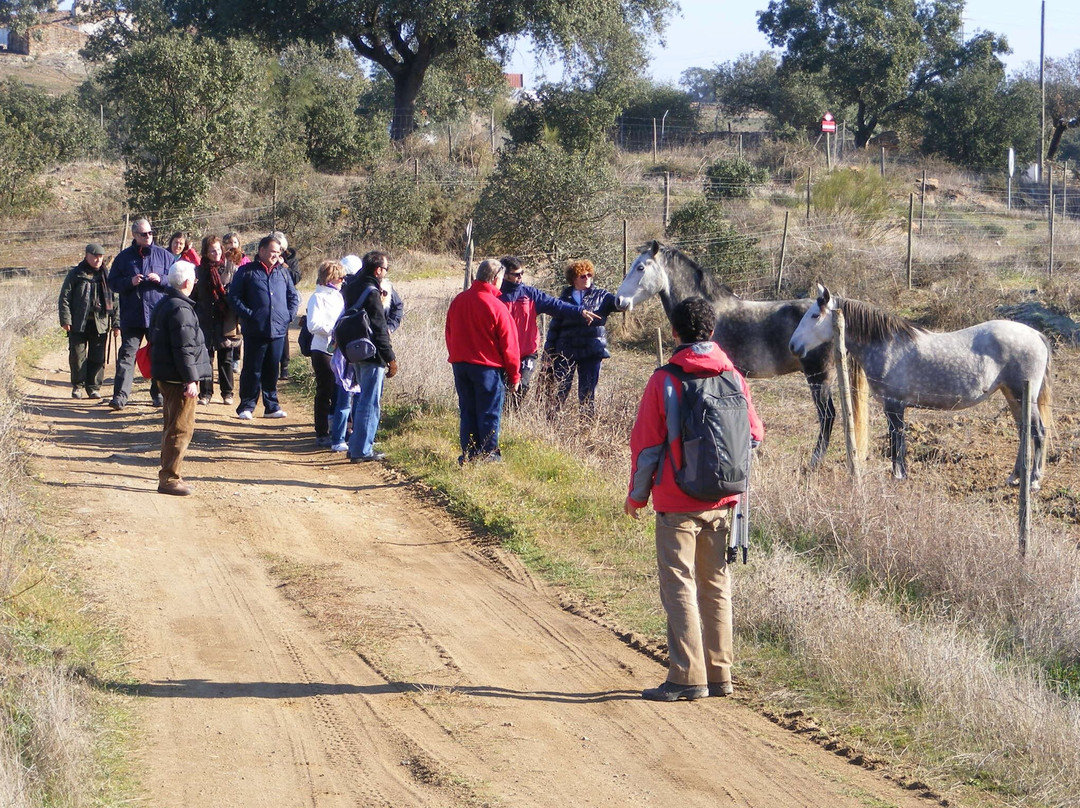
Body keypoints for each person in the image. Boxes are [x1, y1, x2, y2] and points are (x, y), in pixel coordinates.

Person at [625, 297, 764, 702]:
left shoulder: (665, 380)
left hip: (677, 501)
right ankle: (721, 676)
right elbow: (754, 435)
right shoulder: (734, 377)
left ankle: (687, 678)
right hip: (724, 500)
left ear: (674, 333)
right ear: (711, 331)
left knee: (679, 586)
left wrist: (637, 496)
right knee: (716, 585)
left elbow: (647, 447)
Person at [445, 258, 520, 464]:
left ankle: (469, 454)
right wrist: (515, 375)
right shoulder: (497, 306)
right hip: (487, 368)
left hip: (461, 365)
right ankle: (489, 455)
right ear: (496, 279)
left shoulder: (459, 300)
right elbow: (509, 345)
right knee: (488, 412)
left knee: (468, 411)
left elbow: (449, 333)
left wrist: (457, 356)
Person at [499, 256, 598, 408]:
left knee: (522, 386)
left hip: (526, 352)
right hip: (500, 352)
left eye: (522, 273)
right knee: (500, 389)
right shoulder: (495, 296)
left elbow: (556, 305)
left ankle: (511, 413)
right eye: (516, 274)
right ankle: (503, 415)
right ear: (504, 275)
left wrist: (580, 311)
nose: (520, 277)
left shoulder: (530, 294)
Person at [148, 260, 212, 496]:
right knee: (180, 429)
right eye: (194, 279)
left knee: (172, 426)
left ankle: (171, 475)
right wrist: (191, 380)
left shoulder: (166, 303)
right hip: (177, 380)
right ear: (187, 282)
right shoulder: (181, 309)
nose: (195, 282)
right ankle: (169, 479)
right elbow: (184, 348)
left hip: (167, 376)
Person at [228, 234, 299, 420]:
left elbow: (293, 297)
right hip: (255, 330)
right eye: (272, 251)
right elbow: (234, 297)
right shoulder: (246, 272)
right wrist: (250, 315)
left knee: (272, 369)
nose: (276, 255)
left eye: (278, 252)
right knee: (252, 369)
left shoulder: (283, 272)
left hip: (278, 330)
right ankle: (247, 406)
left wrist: (288, 316)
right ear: (261, 251)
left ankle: (271, 406)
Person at [542, 259, 626, 417]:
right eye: (582, 276)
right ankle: (552, 426)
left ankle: (586, 427)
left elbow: (619, 304)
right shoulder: (563, 300)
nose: (587, 278)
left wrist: (627, 292)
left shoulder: (603, 296)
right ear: (573, 279)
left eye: (589, 275)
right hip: (565, 352)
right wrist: (548, 353)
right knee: (559, 391)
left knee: (587, 394)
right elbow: (554, 329)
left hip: (592, 351)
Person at [107, 217, 174, 410]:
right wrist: (130, 281)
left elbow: (177, 279)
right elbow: (113, 283)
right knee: (127, 355)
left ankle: (158, 394)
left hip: (157, 315)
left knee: (159, 355)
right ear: (135, 235)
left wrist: (160, 279)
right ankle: (120, 397)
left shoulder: (164, 255)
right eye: (144, 234)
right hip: (132, 317)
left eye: (150, 233)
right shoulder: (123, 258)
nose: (148, 236)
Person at [341, 251, 397, 462]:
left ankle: (355, 445)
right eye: (385, 269)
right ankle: (362, 450)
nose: (385, 272)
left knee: (361, 398)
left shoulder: (351, 286)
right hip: (372, 353)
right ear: (377, 270)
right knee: (370, 403)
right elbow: (379, 328)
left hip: (354, 351)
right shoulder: (372, 292)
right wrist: (390, 358)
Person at [57, 243, 118, 399]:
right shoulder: (76, 274)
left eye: (100, 257)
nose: (97, 260)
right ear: (86, 256)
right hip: (79, 322)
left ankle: (94, 387)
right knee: (77, 356)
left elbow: (116, 300)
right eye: (94, 257)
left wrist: (117, 323)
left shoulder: (107, 276)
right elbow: (65, 297)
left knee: (97, 357)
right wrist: (65, 319)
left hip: (100, 323)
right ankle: (78, 386)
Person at [191, 235, 240, 405]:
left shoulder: (228, 269)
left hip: (224, 319)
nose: (217, 253)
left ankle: (227, 393)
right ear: (205, 252)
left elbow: (236, 293)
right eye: (213, 250)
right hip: (204, 320)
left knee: (226, 357)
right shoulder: (198, 272)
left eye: (219, 249)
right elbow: (193, 296)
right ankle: (205, 393)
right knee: (206, 358)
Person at [305, 259, 347, 449]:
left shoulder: (338, 296)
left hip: (340, 350)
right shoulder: (318, 297)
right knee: (325, 391)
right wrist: (334, 329)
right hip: (322, 350)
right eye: (340, 278)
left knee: (340, 391)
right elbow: (312, 325)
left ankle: (339, 430)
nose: (342, 282)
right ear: (331, 278)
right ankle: (321, 432)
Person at [270, 231, 300, 380]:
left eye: (279, 249)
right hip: (270, 303)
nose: (276, 253)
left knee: (284, 335)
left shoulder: (291, 259)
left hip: (284, 302)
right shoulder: (264, 259)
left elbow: (296, 278)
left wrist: (284, 266)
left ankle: (285, 367)